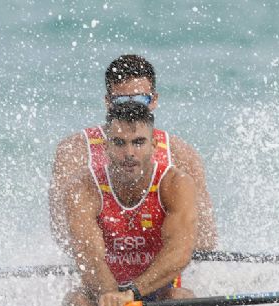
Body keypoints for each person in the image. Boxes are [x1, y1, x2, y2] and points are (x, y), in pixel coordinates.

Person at [62, 101, 198, 306]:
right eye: (119, 143)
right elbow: (89, 257)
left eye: (138, 142)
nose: (129, 153)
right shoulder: (83, 187)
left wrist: (134, 296)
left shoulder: (175, 184)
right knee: (75, 301)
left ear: (154, 146)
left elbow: (179, 255)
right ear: (105, 147)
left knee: (179, 298)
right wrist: (119, 303)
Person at [50, 54, 217, 253]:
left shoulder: (181, 154)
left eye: (140, 100)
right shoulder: (74, 149)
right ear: (108, 102)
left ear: (153, 100)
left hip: (162, 269)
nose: (131, 109)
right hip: (99, 263)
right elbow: (61, 229)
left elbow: (205, 238)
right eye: (121, 101)